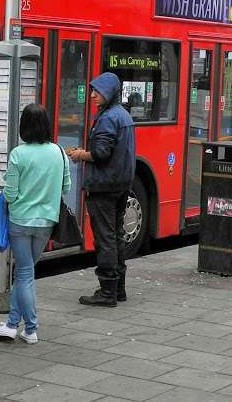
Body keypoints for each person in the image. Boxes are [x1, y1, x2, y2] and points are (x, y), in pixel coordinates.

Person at [0, 104, 71, 343]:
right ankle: (13, 324)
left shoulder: (18, 154)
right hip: (46, 221)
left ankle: (31, 329)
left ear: (24, 126)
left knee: (24, 273)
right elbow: (66, 188)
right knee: (26, 273)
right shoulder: (59, 152)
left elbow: (11, 195)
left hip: (20, 221)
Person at [66, 72, 136, 307]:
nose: (93, 95)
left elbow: (101, 153)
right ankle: (119, 289)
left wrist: (79, 155)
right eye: (93, 90)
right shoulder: (124, 115)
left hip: (103, 186)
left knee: (105, 238)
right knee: (116, 236)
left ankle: (107, 292)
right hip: (120, 185)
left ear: (110, 94)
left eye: (99, 91)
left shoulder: (107, 118)